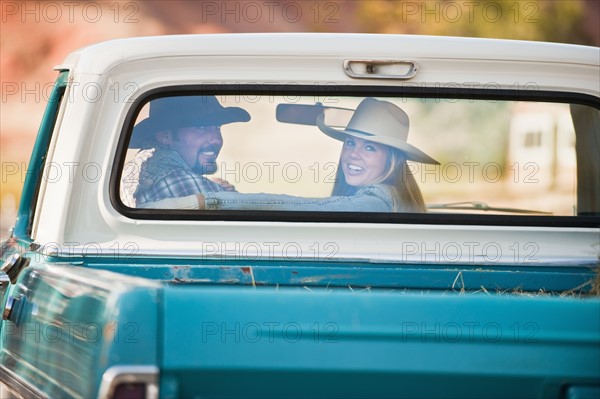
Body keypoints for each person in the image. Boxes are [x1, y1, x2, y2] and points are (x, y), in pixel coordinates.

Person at [139, 97, 438, 213]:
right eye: (350, 143)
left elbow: (310, 207)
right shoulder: (391, 196)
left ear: (393, 159)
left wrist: (210, 199)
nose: (352, 155)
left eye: (369, 147)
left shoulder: (377, 202)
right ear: (165, 136)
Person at [126, 95, 250, 207]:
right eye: (201, 127)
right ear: (165, 136)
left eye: (217, 128)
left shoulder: (138, 172)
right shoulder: (180, 182)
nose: (216, 140)